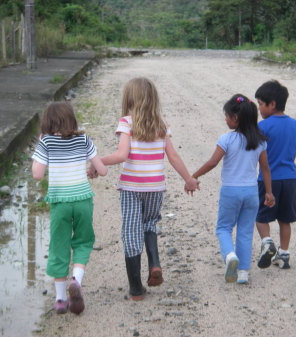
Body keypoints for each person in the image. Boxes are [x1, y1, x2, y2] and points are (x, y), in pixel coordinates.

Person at [94, 77, 199, 300]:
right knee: (150, 223)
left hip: (132, 187)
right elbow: (173, 157)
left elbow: (122, 155)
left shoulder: (126, 123)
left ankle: (135, 288)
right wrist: (188, 179)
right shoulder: (161, 125)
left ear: (130, 98)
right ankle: (155, 263)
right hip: (155, 187)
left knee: (131, 231)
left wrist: (98, 161)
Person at [31, 102, 107, 315]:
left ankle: (61, 299)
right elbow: (102, 170)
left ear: (47, 122)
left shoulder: (46, 142)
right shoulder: (84, 139)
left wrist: (41, 146)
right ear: (72, 119)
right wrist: (92, 167)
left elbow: (37, 174)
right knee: (83, 241)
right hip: (83, 200)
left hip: (60, 203)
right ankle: (76, 279)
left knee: (59, 246)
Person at [191, 94, 275, 284]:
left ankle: (230, 256)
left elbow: (213, 162)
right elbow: (265, 168)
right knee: (245, 231)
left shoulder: (226, 139)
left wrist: (194, 176)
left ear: (235, 118)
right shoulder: (260, 141)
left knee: (223, 227)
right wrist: (269, 192)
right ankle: (243, 273)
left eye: (227, 116)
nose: (226, 119)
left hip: (231, 191)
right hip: (252, 192)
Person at [254, 80, 296, 269]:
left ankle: (267, 243)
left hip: (269, 181)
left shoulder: (263, 127)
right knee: (285, 219)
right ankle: (284, 255)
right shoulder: (295, 125)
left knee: (261, 216)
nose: (260, 108)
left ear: (272, 104)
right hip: (290, 180)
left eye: (261, 104)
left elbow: (256, 154)